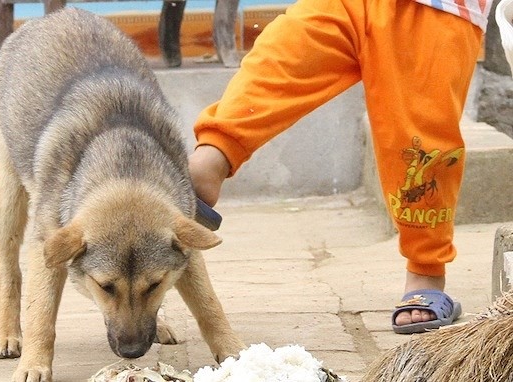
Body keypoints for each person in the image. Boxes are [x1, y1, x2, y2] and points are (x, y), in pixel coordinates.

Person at [188, 0, 493, 334]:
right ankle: (215, 157)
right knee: (282, 56)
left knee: (417, 143)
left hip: (434, 8)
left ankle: (425, 270)